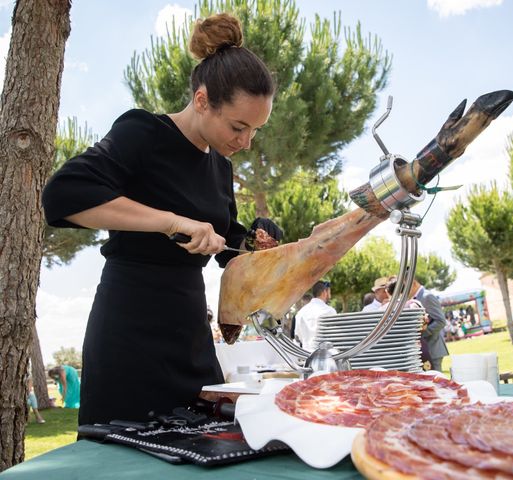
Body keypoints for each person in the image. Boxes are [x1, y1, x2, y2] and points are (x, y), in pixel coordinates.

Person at [41, 13, 282, 425]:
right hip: (129, 329)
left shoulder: (220, 167)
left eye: (255, 131)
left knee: (207, 447)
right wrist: (172, 222)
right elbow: (62, 196)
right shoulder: (144, 132)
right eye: (238, 126)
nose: (245, 142)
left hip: (191, 336)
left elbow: (225, 247)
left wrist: (254, 244)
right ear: (203, 100)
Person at [411, 280, 448, 372]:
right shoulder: (418, 297)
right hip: (427, 348)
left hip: (433, 348)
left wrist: (421, 334)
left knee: (437, 382)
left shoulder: (427, 296)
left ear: (413, 283)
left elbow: (440, 321)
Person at [294, 281, 337, 351]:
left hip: (306, 356)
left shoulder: (300, 313)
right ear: (324, 292)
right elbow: (335, 335)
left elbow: (298, 337)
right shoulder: (330, 311)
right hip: (326, 356)